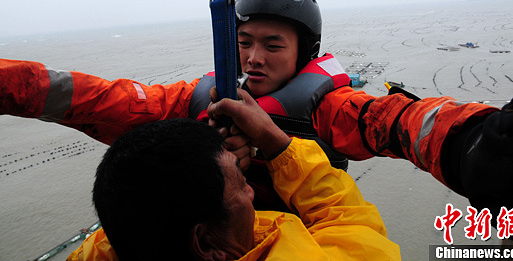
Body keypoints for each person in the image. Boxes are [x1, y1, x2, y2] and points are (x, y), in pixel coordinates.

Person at [1, 0, 513, 244]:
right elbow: (100, 98)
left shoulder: (329, 108)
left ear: (304, 52)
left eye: (273, 45)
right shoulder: (201, 102)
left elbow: (400, 121)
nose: (254, 58)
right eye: (245, 41)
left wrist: (474, 142)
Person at [68, 89, 401, 260]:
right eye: (241, 187)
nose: (252, 192)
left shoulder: (127, 236)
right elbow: (355, 227)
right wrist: (276, 142)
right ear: (203, 243)